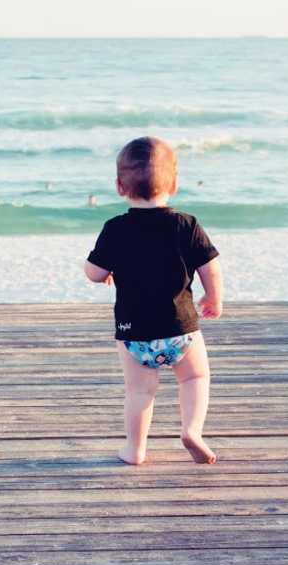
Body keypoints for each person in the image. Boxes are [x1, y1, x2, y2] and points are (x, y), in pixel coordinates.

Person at [84, 137, 223, 465]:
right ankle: (192, 431)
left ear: (120, 187)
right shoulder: (186, 225)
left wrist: (102, 270)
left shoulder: (115, 229)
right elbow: (210, 267)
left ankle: (135, 449)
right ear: (174, 183)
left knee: (139, 392)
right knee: (195, 377)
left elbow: (93, 272)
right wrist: (214, 297)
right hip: (181, 329)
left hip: (134, 333)